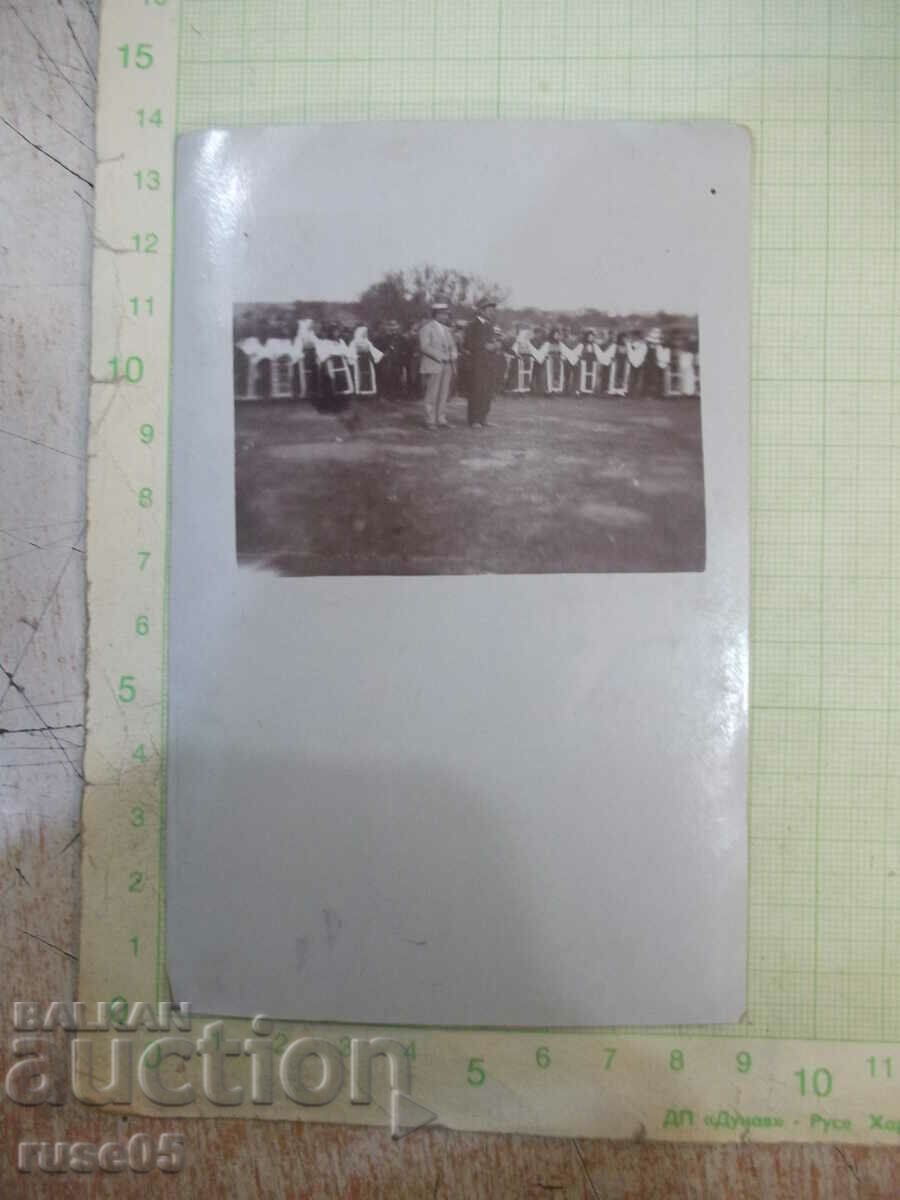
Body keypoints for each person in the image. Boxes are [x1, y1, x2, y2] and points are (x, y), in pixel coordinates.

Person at [418, 301, 457, 429]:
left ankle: (441, 419)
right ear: (436, 314)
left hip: (447, 365)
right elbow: (424, 347)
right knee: (432, 393)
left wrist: (453, 354)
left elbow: (452, 345)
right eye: (444, 314)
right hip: (434, 364)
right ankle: (429, 420)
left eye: (446, 314)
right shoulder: (426, 328)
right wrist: (440, 356)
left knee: (443, 393)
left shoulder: (447, 330)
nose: (446, 316)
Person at [464, 298, 498, 427]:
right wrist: (484, 346)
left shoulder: (490, 326)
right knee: (476, 391)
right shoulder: (472, 325)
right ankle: (474, 420)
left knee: (487, 391)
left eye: (492, 310)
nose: (491, 312)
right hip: (476, 364)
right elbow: (467, 344)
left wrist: (495, 345)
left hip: (489, 364)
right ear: (481, 310)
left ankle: (483, 418)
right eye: (489, 310)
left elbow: (491, 343)